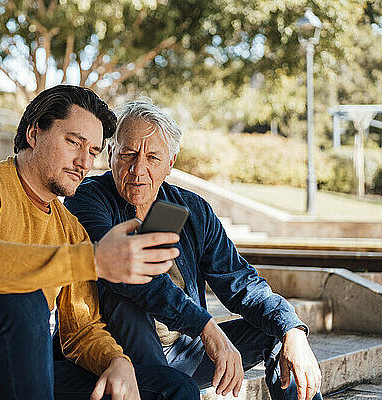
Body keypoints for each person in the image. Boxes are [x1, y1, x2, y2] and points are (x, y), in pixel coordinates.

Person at [0, 86, 199, 400]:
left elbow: (82, 330)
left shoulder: (69, 229)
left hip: (10, 375)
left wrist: (117, 362)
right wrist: (94, 260)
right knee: (22, 298)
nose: (84, 162)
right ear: (33, 133)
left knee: (172, 386)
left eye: (94, 152)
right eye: (74, 142)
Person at [64, 99, 323, 400]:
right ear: (111, 155)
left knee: (276, 333)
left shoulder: (192, 209)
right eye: (128, 154)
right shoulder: (88, 200)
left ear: (171, 163)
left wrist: (292, 329)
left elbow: (241, 282)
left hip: (186, 350)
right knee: (126, 299)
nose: (139, 169)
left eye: (153, 158)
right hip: (122, 355)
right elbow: (131, 275)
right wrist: (206, 327)